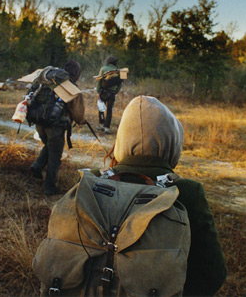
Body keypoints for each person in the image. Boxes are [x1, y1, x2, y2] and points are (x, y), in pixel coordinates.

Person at [97, 95, 227, 296]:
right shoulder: (186, 192)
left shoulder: (93, 181)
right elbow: (212, 273)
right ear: (173, 141)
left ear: (121, 138)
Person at [30, 59, 86, 196]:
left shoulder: (48, 79)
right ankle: (49, 186)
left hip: (38, 121)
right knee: (55, 156)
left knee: (50, 146)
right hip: (55, 126)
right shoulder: (70, 87)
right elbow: (78, 115)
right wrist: (82, 121)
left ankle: (37, 166)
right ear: (77, 74)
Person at [96, 56, 122, 134]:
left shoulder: (103, 69)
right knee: (109, 110)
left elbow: (98, 81)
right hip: (112, 93)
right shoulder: (119, 71)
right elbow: (120, 84)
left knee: (101, 108)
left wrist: (98, 91)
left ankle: (101, 124)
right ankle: (107, 127)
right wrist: (116, 91)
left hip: (103, 92)